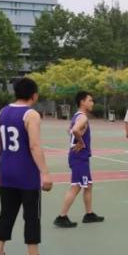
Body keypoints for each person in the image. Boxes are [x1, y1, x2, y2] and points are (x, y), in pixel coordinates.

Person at [0, 78, 58, 255]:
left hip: (6, 171)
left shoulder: (3, 112)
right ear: (34, 95)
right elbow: (34, 145)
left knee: (6, 213)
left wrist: (2, 165)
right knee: (31, 216)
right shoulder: (31, 114)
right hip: (26, 173)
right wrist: (45, 173)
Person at [54, 92, 105, 228]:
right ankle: (61, 217)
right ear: (82, 102)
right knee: (76, 186)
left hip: (79, 156)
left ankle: (89, 214)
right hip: (79, 157)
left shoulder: (76, 116)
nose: (92, 103)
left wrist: (76, 136)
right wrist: (81, 142)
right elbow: (75, 130)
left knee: (88, 185)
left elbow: (70, 130)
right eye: (90, 100)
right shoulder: (83, 117)